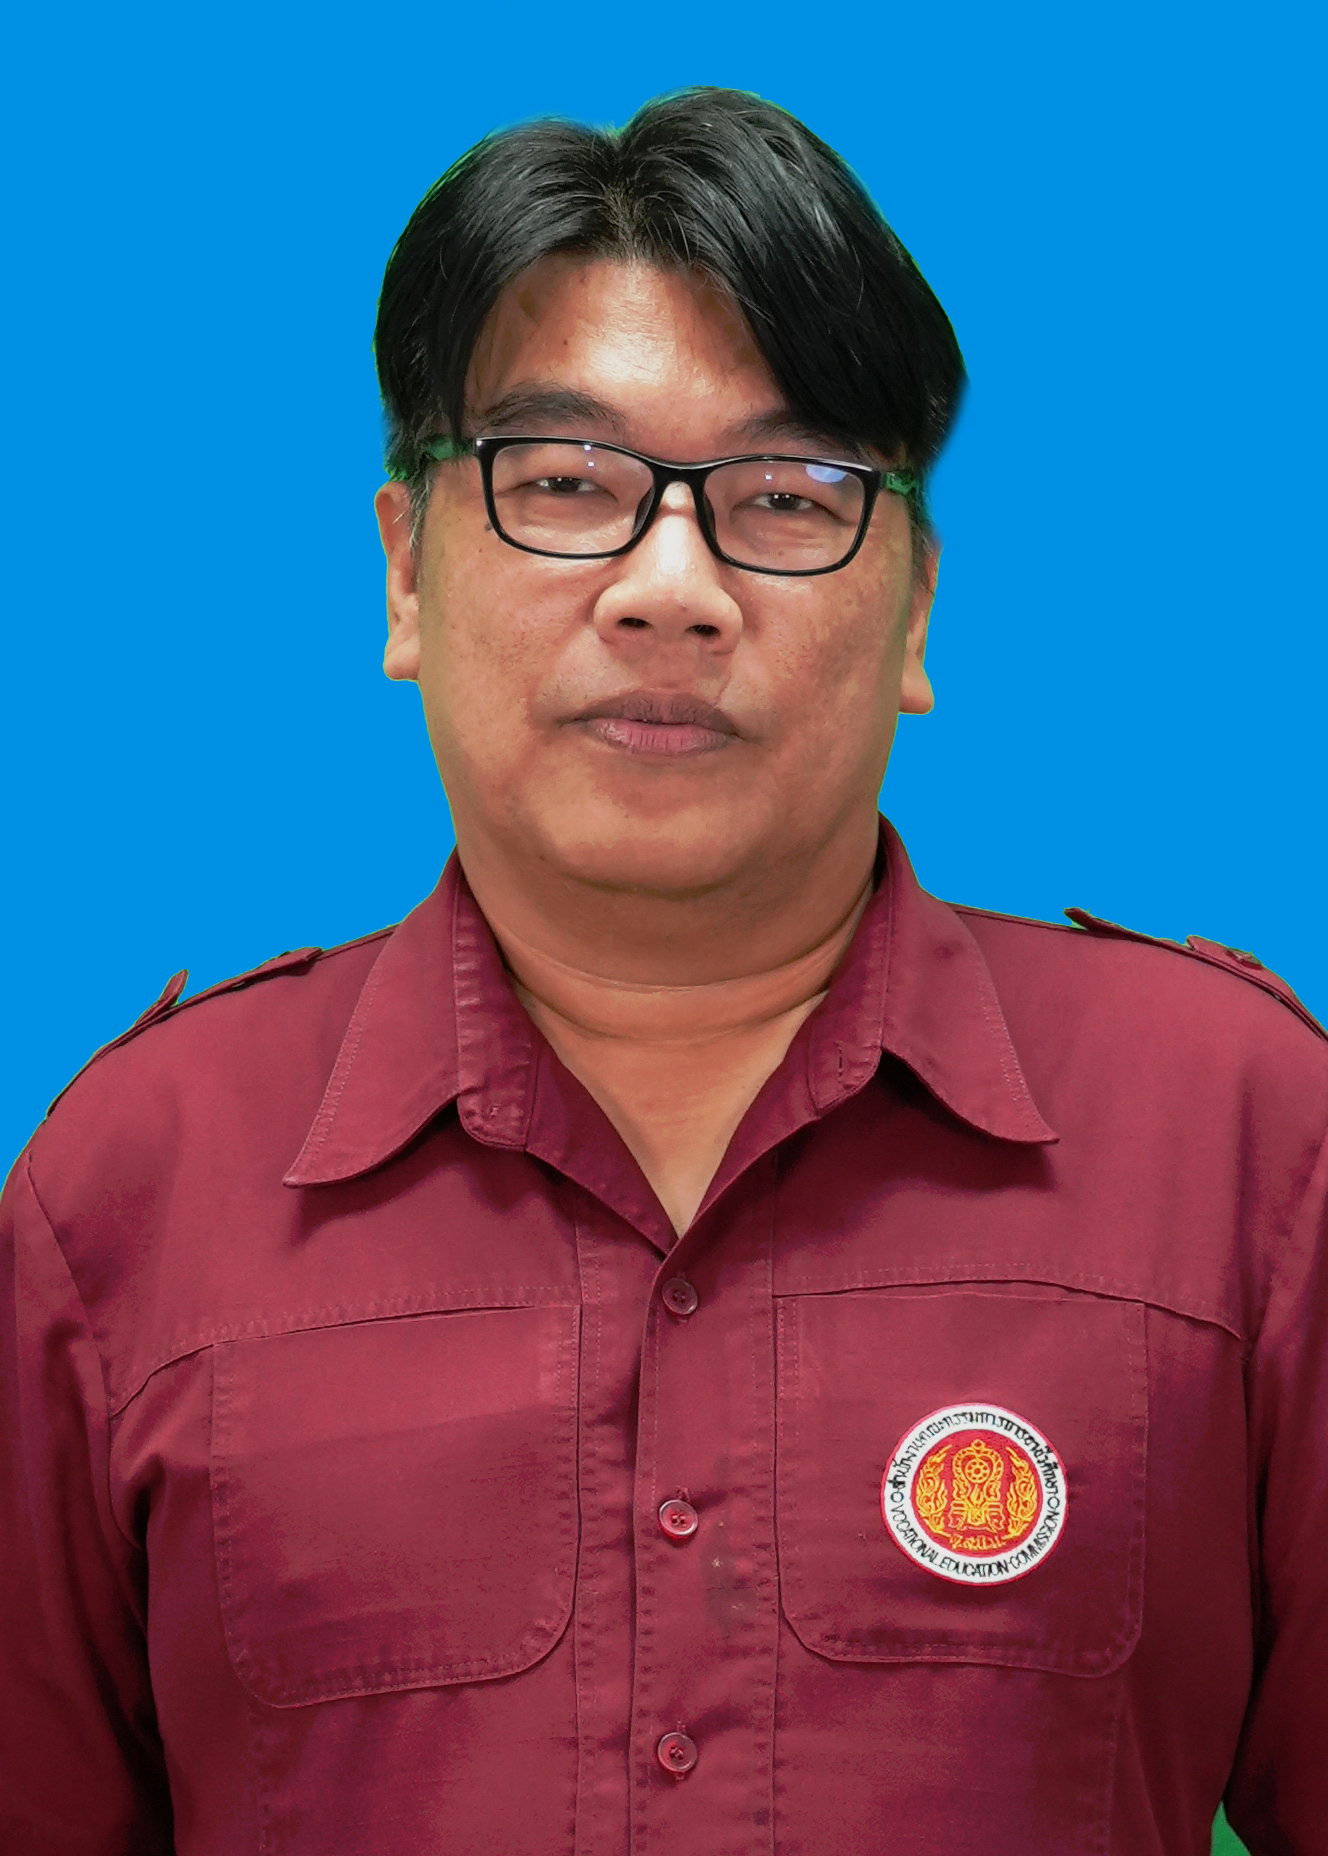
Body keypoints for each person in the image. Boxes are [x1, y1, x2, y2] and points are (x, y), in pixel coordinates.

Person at [1, 86, 1324, 1856]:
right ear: (406, 575)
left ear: (918, 608)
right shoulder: (130, 1194)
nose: (670, 587)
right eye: (565, 483)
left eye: (785, 495)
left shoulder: (1242, 1146)